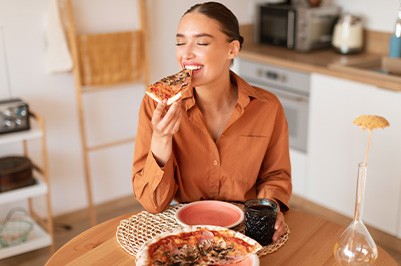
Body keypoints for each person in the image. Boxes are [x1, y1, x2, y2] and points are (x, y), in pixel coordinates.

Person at [132, 2, 292, 243]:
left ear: (232, 49)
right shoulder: (156, 104)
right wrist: (161, 138)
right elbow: (153, 204)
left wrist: (270, 208)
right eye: (180, 42)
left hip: (246, 231)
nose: (186, 54)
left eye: (201, 42)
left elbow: (275, 175)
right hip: (185, 231)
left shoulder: (267, 107)